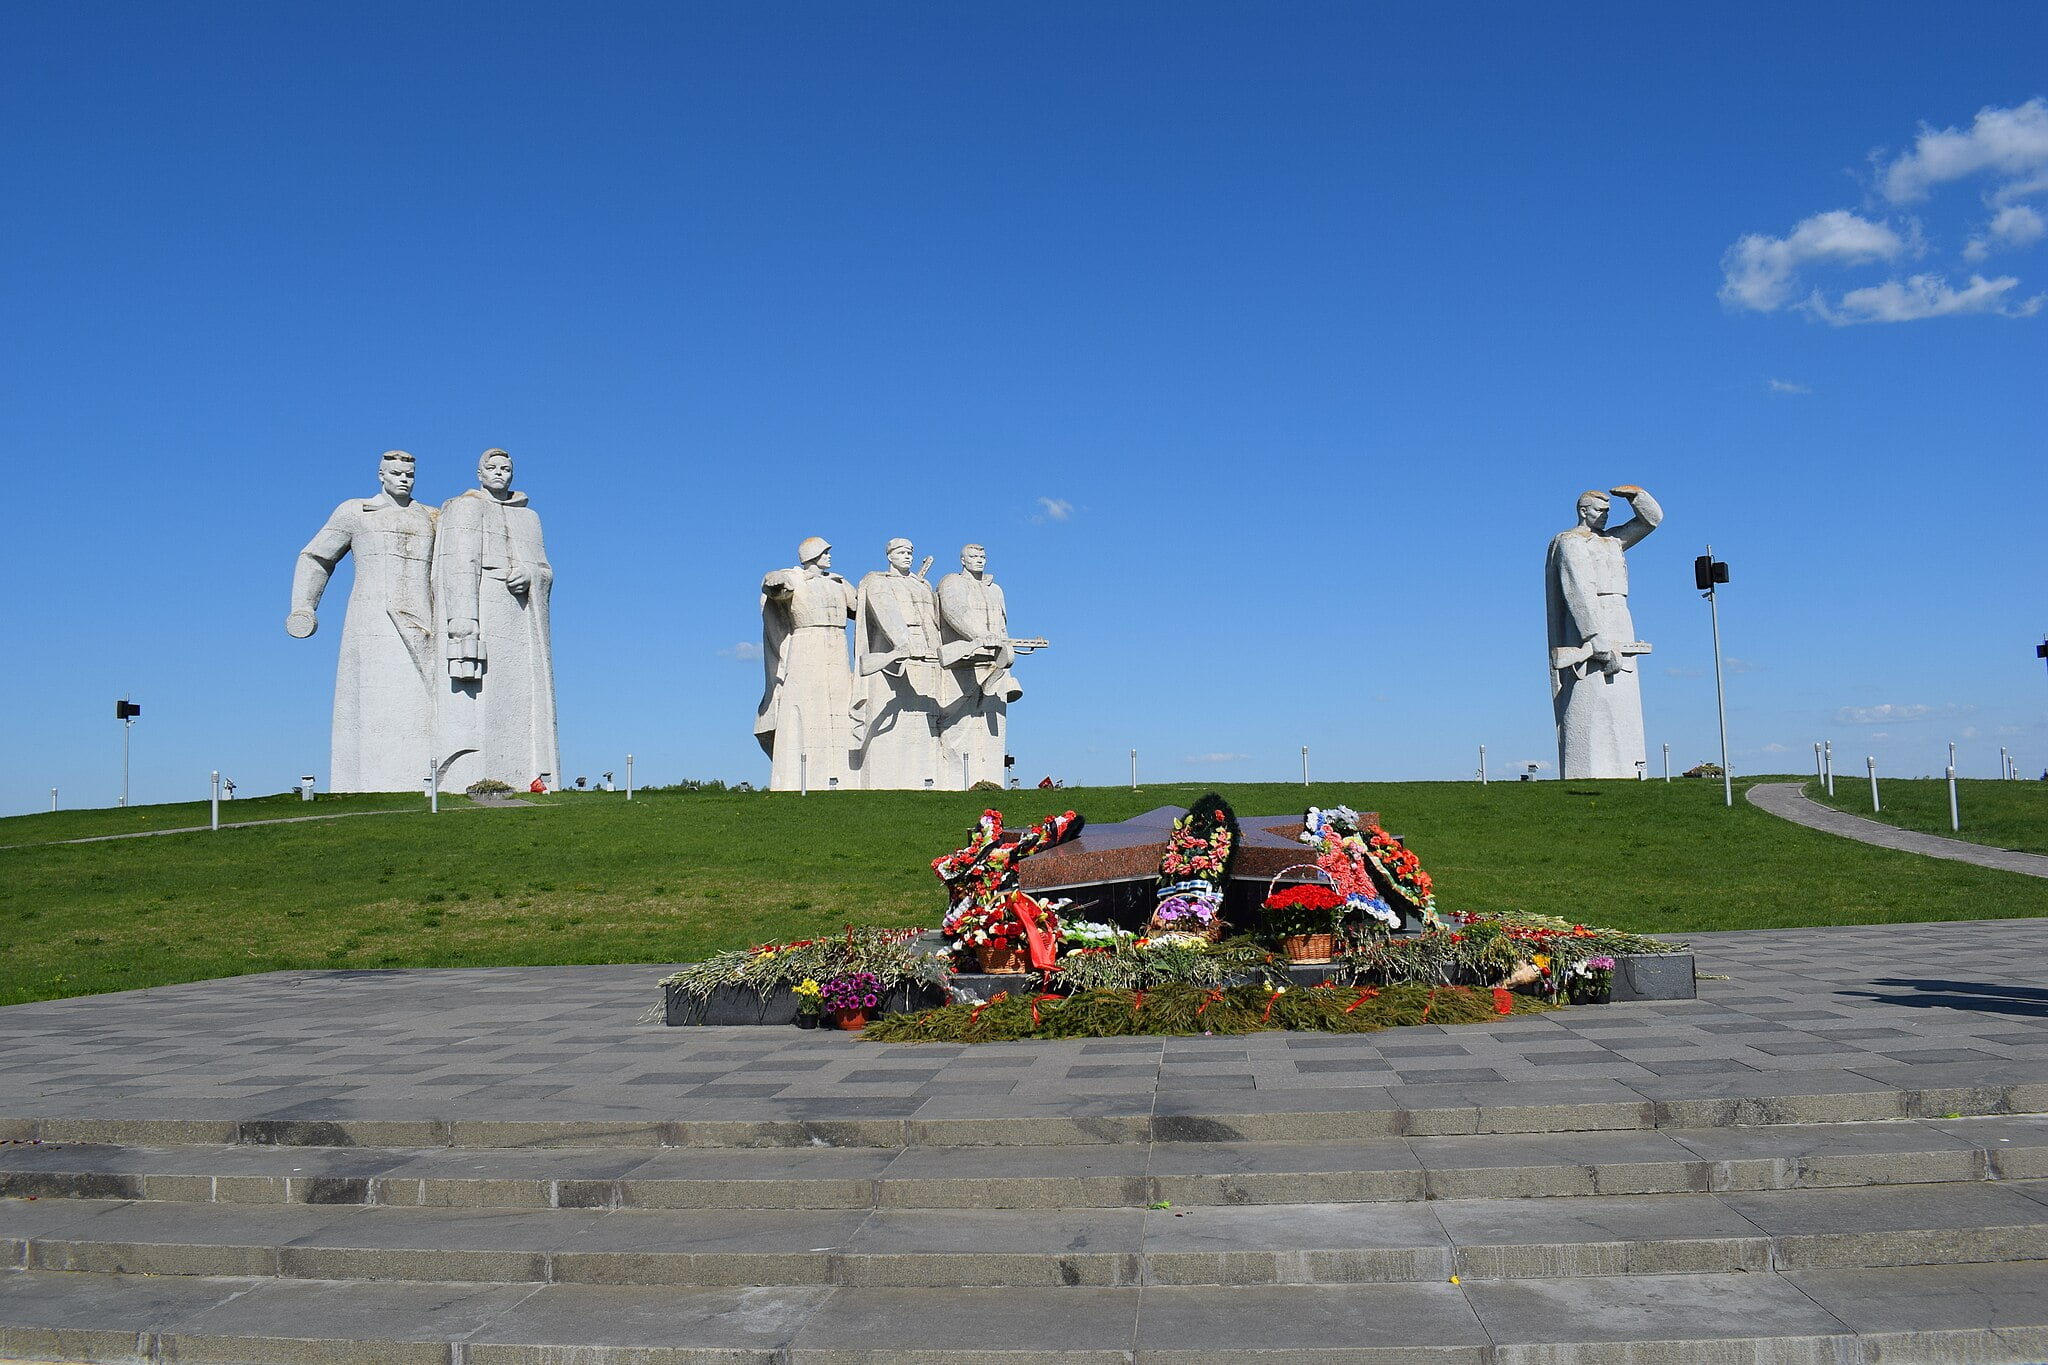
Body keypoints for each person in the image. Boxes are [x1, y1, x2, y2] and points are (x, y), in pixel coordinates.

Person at [287, 450, 439, 791]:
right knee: (371, 706)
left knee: (422, 706)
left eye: (409, 474)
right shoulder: (355, 511)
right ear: (380, 475)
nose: (403, 479)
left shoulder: (432, 516)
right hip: (371, 620)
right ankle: (370, 785)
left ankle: (427, 782)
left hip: (426, 622)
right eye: (396, 473)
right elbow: (316, 557)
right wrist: (304, 607)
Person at [435, 449, 560, 792]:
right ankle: (470, 774)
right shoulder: (464, 507)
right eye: (492, 468)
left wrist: (530, 573)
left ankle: (528, 775)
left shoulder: (529, 518)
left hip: (520, 612)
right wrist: (463, 619)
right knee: (479, 699)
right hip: (483, 605)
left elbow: (545, 569)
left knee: (522, 694)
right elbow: (457, 564)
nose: (500, 473)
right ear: (479, 473)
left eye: (506, 468)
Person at [1545, 484, 1662, 779]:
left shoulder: (1612, 541)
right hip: (1590, 619)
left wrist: (1637, 498)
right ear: (1583, 511)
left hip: (1620, 614)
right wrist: (1593, 636)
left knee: (1623, 695)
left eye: (1609, 512)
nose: (1605, 517)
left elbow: (1651, 521)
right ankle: (1588, 769)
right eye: (1600, 511)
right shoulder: (1571, 542)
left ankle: (1630, 768)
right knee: (1590, 694)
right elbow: (1577, 589)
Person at [756, 536, 858, 790]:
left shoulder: (839, 581)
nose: (829, 556)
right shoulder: (795, 578)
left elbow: (859, 607)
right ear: (811, 555)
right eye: (824, 552)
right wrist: (775, 577)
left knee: (840, 705)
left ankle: (844, 776)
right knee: (804, 704)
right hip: (806, 642)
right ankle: (796, 777)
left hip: (836, 642)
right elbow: (772, 586)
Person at [853, 538, 945, 788]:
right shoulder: (877, 581)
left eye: (910, 553)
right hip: (894, 657)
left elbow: (933, 620)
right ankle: (884, 782)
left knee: (924, 720)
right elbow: (886, 612)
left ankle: (928, 780)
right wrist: (903, 643)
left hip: (927, 655)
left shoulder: (923, 585)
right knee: (892, 722)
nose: (907, 557)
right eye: (901, 552)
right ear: (889, 556)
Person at [937, 544, 1025, 788]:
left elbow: (1002, 625)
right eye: (973, 557)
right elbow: (955, 613)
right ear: (962, 560)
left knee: (991, 726)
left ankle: (991, 781)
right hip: (964, 665)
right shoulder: (952, 582)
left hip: (994, 663)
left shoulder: (995, 589)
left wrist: (1003, 649)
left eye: (983, 557)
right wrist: (981, 636)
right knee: (957, 724)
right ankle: (955, 784)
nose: (979, 561)